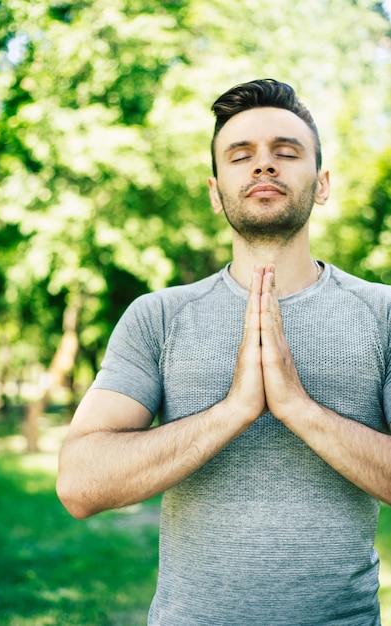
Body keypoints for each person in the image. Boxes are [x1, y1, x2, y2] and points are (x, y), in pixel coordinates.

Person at [57, 78, 391, 625]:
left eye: (286, 153)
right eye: (242, 156)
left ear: (323, 183)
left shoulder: (384, 315)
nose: (264, 167)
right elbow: (77, 485)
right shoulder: (158, 317)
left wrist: (298, 409)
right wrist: (234, 410)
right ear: (215, 192)